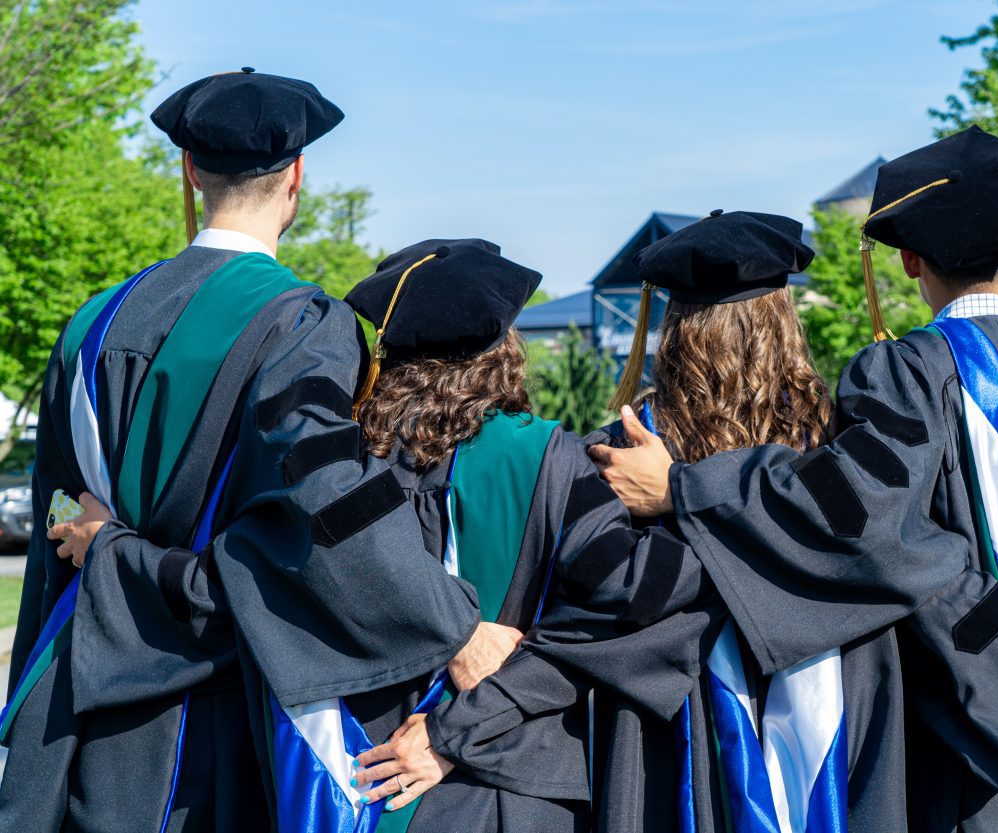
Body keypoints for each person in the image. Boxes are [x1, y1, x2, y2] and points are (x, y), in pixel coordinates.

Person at [590, 126, 998, 832]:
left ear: (909, 260)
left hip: (972, 784)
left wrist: (686, 487)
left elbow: (874, 538)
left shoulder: (907, 376)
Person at [0, 70, 518, 833]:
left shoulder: (91, 326)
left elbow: (58, 532)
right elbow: (330, 504)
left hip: (82, 707)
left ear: (189, 170)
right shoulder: (303, 324)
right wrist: (450, 622)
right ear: (297, 176)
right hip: (211, 726)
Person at [327, 238, 721, 831]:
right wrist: (701, 501)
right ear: (504, 347)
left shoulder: (337, 465)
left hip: (362, 773)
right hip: (513, 786)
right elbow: (629, 606)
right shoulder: (554, 458)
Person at [586, 210, 908, 833]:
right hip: (839, 708)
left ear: (673, 328)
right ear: (783, 319)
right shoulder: (844, 446)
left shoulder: (619, 455)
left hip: (672, 726)